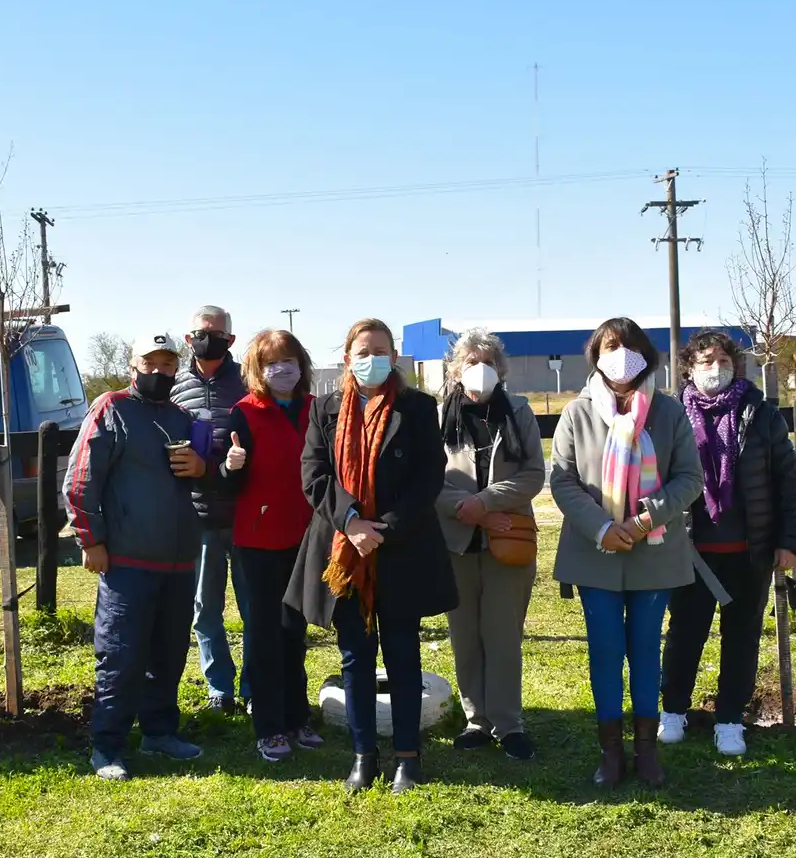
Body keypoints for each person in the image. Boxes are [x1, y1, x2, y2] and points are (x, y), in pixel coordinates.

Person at [286, 319, 457, 794]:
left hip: (400, 548)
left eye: (381, 350)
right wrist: (352, 523)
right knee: (355, 657)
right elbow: (314, 474)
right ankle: (364, 756)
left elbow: (429, 475)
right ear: (347, 357)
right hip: (346, 551)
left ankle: (408, 757)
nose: (373, 358)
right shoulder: (325, 408)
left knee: (403, 654)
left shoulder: (418, 407)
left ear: (395, 356)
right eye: (364, 350)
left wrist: (385, 529)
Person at [550, 318, 703, 788]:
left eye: (629, 346)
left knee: (644, 650)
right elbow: (562, 479)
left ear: (646, 355)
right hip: (596, 552)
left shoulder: (669, 412)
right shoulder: (577, 412)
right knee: (605, 651)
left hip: (651, 550)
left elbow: (689, 480)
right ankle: (611, 753)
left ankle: (647, 751)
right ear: (596, 353)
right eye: (610, 346)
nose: (620, 355)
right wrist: (601, 526)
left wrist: (644, 519)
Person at [65, 333, 213, 781]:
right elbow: (80, 479)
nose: (160, 372)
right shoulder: (111, 408)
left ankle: (160, 731)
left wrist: (206, 466)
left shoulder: (183, 417)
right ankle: (107, 745)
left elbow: (208, 478)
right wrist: (90, 540)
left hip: (178, 559)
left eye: (168, 365)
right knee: (121, 655)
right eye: (151, 363)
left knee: (169, 653)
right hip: (127, 560)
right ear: (133, 365)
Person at [659, 331, 796, 757]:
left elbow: (789, 485)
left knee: (741, 638)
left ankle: (729, 720)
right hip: (689, 552)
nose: (715, 367)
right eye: (704, 360)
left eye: (723, 359)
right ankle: (673, 711)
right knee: (685, 635)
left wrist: (789, 542)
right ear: (688, 367)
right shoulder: (671, 415)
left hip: (750, 552)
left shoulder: (761, 414)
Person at [434, 329, 545, 761]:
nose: (479, 371)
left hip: (508, 541)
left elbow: (533, 474)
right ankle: (476, 720)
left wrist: (484, 502)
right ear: (455, 370)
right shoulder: (438, 415)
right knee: (465, 637)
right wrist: (466, 508)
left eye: (488, 363)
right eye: (470, 362)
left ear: (501, 370)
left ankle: (508, 724)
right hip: (456, 542)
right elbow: (427, 480)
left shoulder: (519, 411)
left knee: (502, 638)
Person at [220, 329, 324, 762]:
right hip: (258, 542)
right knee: (264, 635)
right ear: (258, 371)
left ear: (301, 364)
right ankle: (269, 726)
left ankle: (297, 717)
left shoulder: (318, 410)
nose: (282, 369)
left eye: (289, 360)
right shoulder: (243, 413)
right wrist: (231, 466)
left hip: (306, 538)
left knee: (294, 632)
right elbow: (230, 482)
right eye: (271, 363)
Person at [171, 305, 252, 714]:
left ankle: (254, 688)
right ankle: (219, 687)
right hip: (197, 515)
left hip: (244, 513)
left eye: (218, 334)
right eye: (202, 333)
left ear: (231, 341)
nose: (209, 339)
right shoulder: (173, 385)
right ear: (189, 338)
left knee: (254, 606)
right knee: (205, 609)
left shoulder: (248, 382)